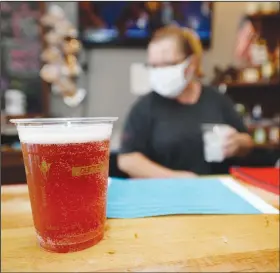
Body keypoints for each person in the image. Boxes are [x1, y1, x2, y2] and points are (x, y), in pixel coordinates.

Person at [118, 25, 253, 178]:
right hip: (164, 195)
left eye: (167, 64)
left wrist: (238, 143)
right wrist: (176, 178)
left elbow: (246, 141)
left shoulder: (217, 100)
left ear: (191, 64)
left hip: (214, 192)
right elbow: (127, 159)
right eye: (154, 66)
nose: (159, 72)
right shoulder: (144, 107)